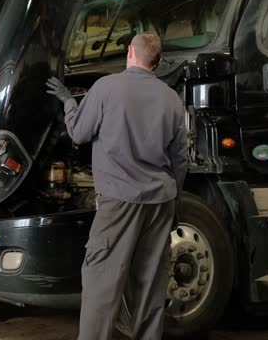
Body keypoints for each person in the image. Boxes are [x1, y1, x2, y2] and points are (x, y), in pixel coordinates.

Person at [46, 32, 187, 340]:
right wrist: (174, 201)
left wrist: (69, 102)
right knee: (150, 282)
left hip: (119, 201)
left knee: (102, 281)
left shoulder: (107, 87)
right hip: (161, 200)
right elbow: (180, 159)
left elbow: (80, 134)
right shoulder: (172, 99)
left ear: (128, 54)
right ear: (158, 62)